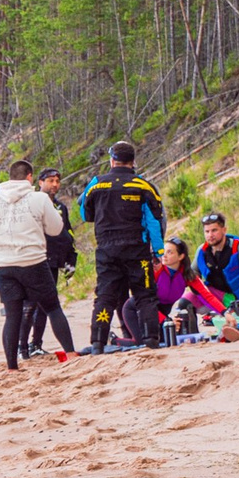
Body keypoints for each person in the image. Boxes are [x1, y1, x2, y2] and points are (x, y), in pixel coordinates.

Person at [0, 158, 75, 369]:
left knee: (12, 315)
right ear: (30, 177)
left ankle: (12, 365)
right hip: (33, 261)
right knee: (53, 307)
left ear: (10, 177)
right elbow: (56, 229)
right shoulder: (39, 199)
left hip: (2, 265)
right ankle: (70, 353)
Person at [81, 140, 166, 350]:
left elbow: (85, 213)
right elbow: (154, 221)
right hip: (136, 248)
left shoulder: (96, 183)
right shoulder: (143, 185)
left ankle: (97, 343)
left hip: (107, 249)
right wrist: (159, 251)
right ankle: (151, 340)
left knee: (105, 296)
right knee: (145, 295)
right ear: (133, 161)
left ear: (112, 160)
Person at [22, 167, 80, 356]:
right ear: (40, 182)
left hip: (53, 261)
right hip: (32, 260)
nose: (55, 184)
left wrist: (71, 258)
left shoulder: (60, 208)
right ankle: (22, 346)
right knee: (29, 305)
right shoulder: (30, 204)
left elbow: (67, 234)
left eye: (57, 181)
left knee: (46, 306)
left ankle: (36, 344)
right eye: (50, 181)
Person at [153, 237, 226, 339]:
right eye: (163, 251)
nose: (164, 255)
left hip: (161, 315)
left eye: (170, 252)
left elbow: (207, 296)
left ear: (181, 256)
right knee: (149, 342)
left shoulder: (186, 274)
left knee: (169, 338)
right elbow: (145, 303)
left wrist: (225, 312)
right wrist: (166, 320)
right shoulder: (156, 270)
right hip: (140, 311)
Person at [195, 213, 239, 319]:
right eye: (207, 231)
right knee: (186, 303)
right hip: (215, 298)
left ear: (224, 230)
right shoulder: (201, 252)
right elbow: (192, 276)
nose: (210, 235)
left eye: (214, 230)